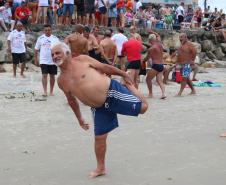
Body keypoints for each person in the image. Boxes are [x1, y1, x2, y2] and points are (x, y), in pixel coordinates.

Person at [51, 41, 148, 178]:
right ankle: (100, 168)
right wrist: (79, 118)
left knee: (143, 108)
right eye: (52, 55)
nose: (55, 56)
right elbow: (71, 100)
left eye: (57, 53)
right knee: (99, 138)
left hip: (111, 93)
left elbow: (104, 67)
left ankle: (127, 85)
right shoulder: (61, 80)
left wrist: (124, 75)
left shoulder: (82, 60)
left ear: (67, 53)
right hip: (98, 108)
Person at [34, 24, 59, 97]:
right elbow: (36, 50)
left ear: (51, 30)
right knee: (44, 75)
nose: (47, 31)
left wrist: (58, 59)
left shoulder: (55, 38)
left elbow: (58, 49)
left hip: (53, 60)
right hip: (43, 60)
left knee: (52, 76)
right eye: (46, 30)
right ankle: (45, 91)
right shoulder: (40, 38)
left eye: (48, 30)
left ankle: (51, 91)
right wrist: (36, 60)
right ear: (43, 30)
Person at [142, 28, 166, 99]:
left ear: (149, 40)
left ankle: (150, 94)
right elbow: (158, 35)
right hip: (161, 65)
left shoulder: (151, 49)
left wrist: (142, 61)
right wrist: (151, 32)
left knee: (148, 80)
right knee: (159, 81)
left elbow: (147, 58)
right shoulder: (160, 44)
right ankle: (164, 93)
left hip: (156, 65)